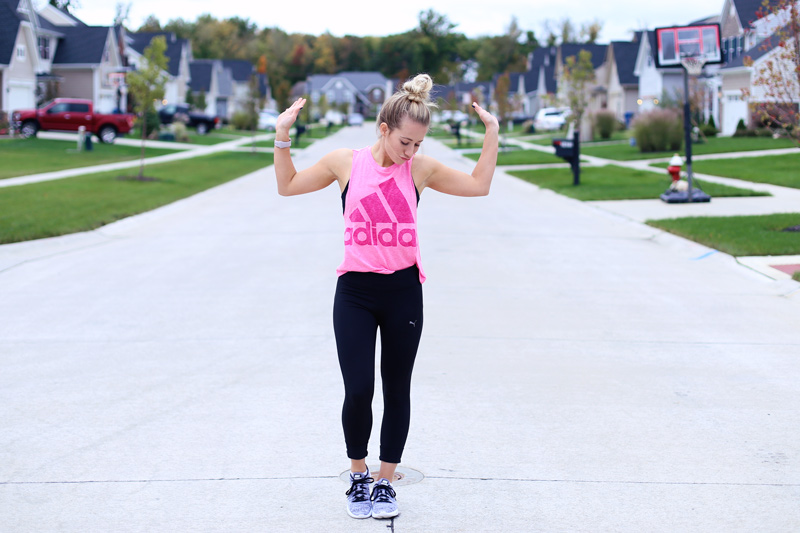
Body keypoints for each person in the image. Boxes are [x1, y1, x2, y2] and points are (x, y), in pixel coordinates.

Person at [274, 73, 499, 520]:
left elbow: (479, 185)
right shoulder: (345, 162)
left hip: (402, 292)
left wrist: (492, 133)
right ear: (383, 129)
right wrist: (282, 137)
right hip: (355, 292)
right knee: (358, 389)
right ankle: (357, 473)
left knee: (397, 390)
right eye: (404, 142)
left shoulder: (421, 169)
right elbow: (289, 185)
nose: (410, 152)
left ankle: (384, 482)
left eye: (417, 144)